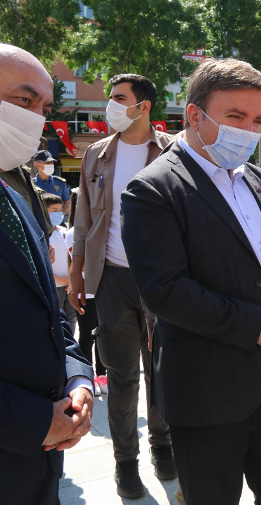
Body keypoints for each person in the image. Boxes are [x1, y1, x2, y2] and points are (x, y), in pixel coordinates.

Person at [120, 58, 261, 505]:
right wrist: (257, 326)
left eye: (258, 120)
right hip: (207, 390)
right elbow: (166, 290)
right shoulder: (152, 190)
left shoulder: (256, 177)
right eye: (235, 117)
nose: (249, 131)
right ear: (194, 115)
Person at [69, 72, 176, 498]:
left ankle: (163, 446)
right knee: (121, 377)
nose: (110, 105)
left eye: (118, 98)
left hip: (164, 282)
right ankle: (125, 463)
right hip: (111, 278)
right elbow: (83, 220)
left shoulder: (174, 151)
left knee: (162, 372)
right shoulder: (96, 154)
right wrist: (77, 273)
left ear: (143, 106)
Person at [0, 42, 95, 505]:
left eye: (44, 106)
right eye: (24, 101)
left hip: (38, 461)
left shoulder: (15, 196)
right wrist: (31, 420)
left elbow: (46, 308)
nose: (36, 119)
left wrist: (78, 379)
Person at [65, 187, 107, 394]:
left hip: (105, 290)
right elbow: (79, 265)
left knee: (103, 334)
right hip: (85, 293)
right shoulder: (73, 233)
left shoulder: (103, 226)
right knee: (86, 336)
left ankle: (102, 375)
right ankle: (88, 375)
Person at [43, 192, 78, 333]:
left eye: (60, 210)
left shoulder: (64, 231)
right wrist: (59, 279)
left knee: (71, 317)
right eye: (54, 211)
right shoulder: (42, 233)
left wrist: (69, 279)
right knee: (57, 318)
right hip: (54, 284)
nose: (59, 213)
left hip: (68, 284)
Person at [33, 149, 71, 216]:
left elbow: (67, 202)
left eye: (52, 162)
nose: (51, 165)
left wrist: (60, 216)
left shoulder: (60, 182)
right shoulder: (31, 183)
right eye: (47, 163)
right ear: (37, 165)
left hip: (57, 222)